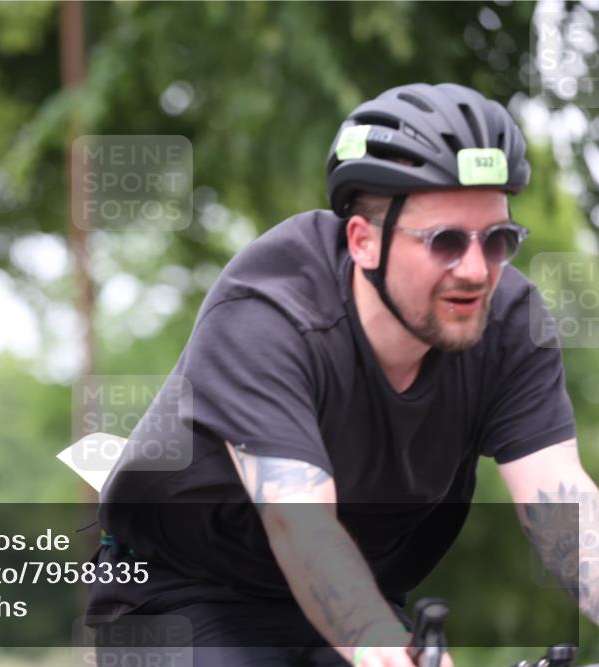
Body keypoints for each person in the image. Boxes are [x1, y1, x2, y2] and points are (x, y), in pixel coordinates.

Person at [87, 82, 599, 667]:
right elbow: (300, 526)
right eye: (446, 242)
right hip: (182, 595)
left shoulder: (509, 323)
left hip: (359, 598)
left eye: (498, 240)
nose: (477, 270)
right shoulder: (268, 314)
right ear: (363, 241)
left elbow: (561, 501)